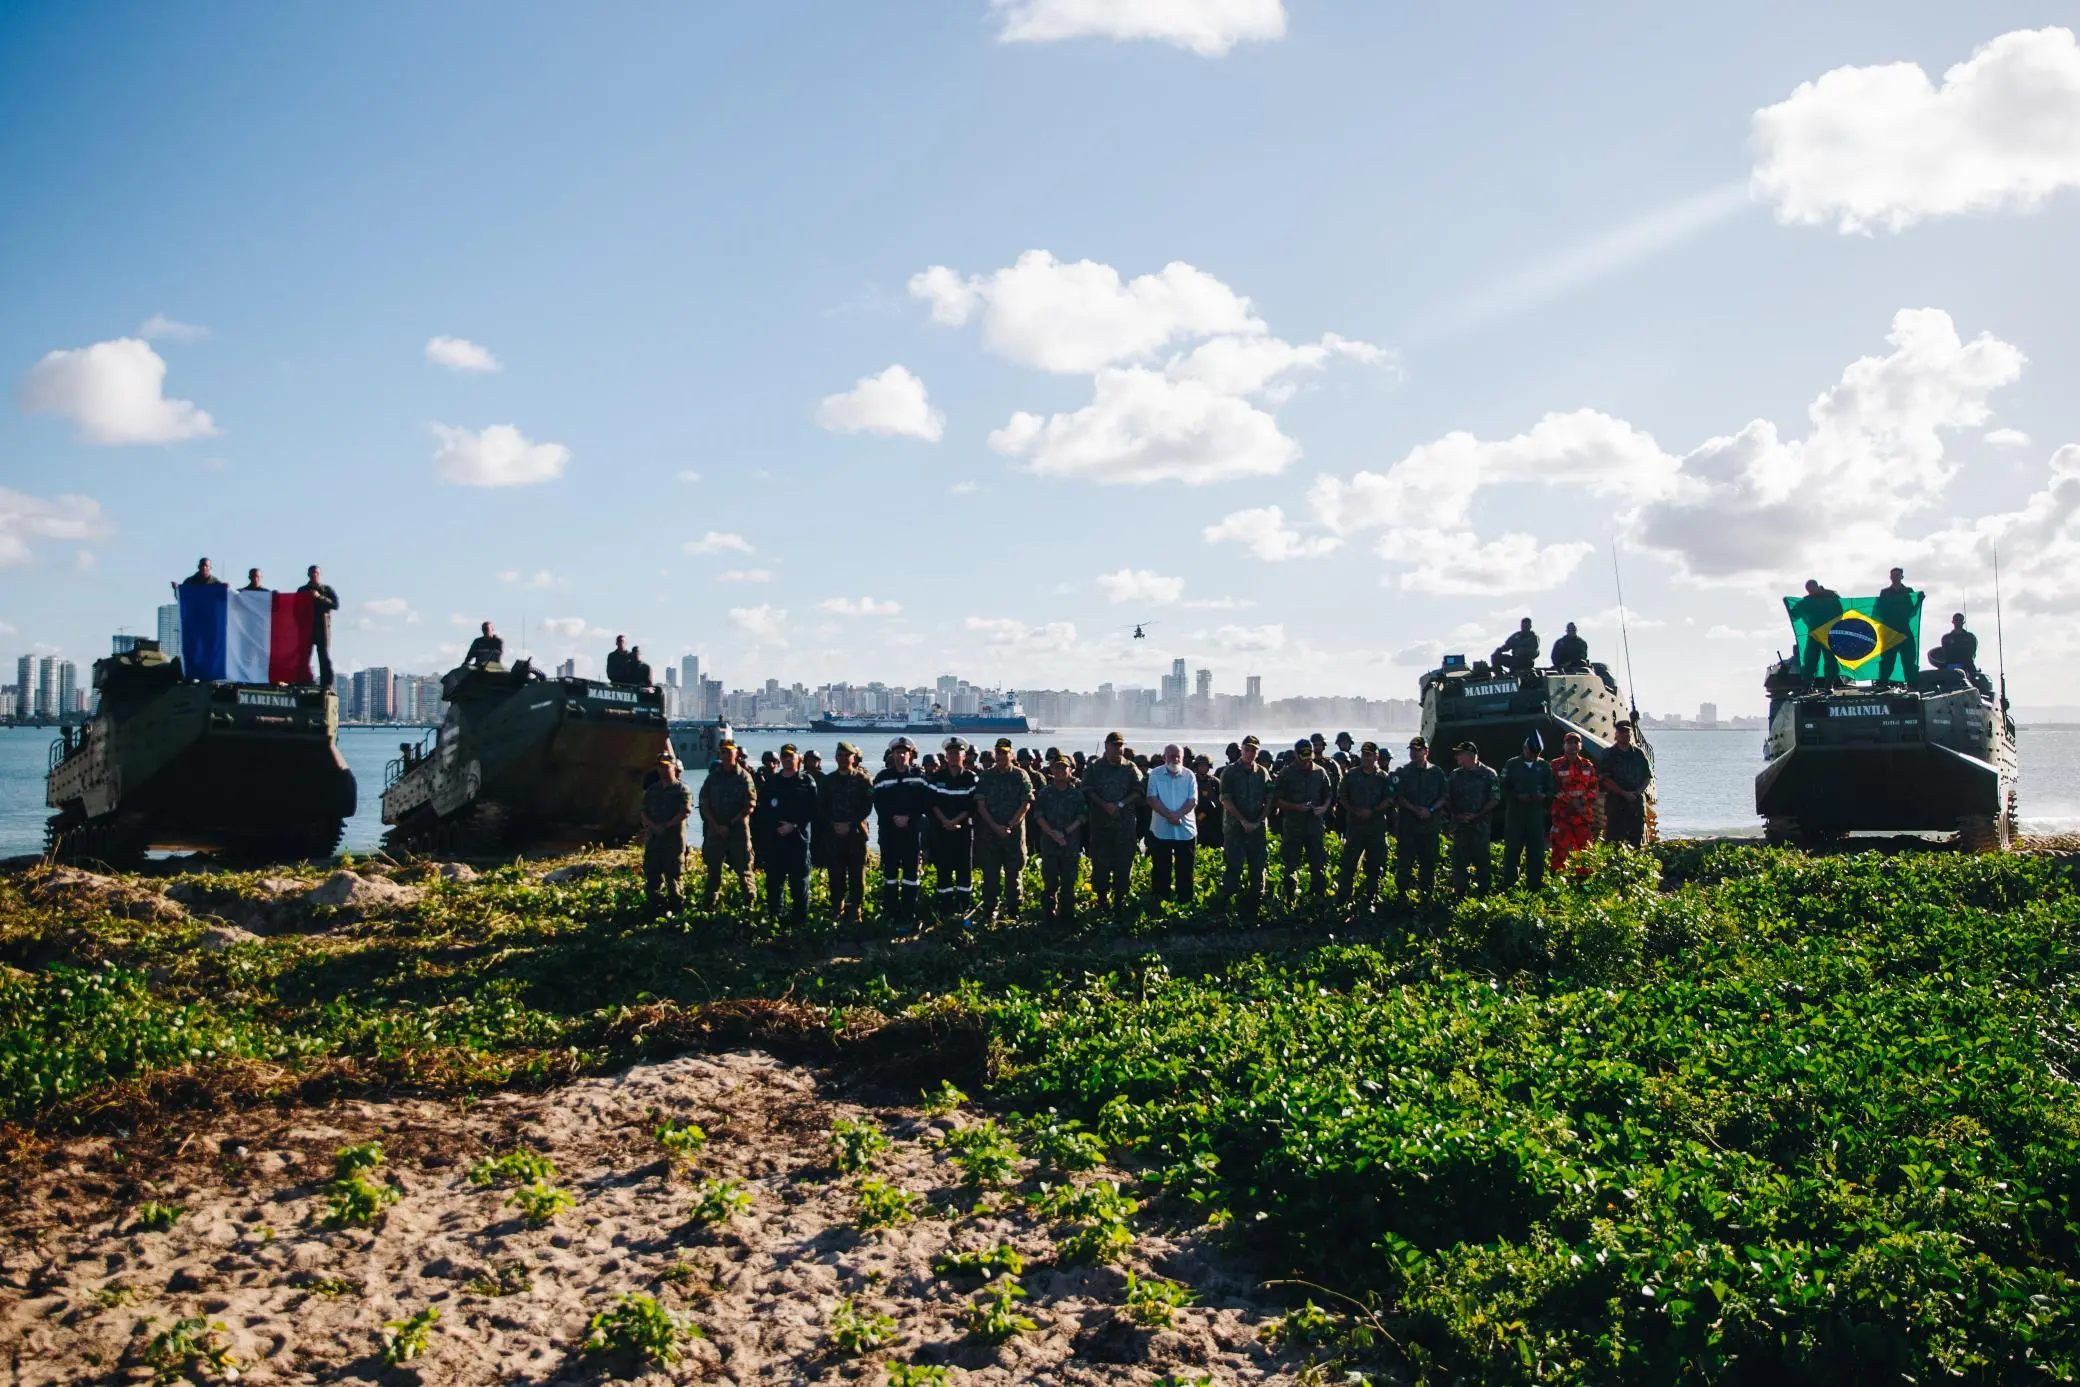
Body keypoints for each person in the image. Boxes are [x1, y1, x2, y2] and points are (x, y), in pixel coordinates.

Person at [1083, 732, 1145, 911]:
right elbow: (1087, 789)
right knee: (1100, 863)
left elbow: (1139, 790)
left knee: (1124, 864)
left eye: (1121, 745)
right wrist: (1104, 805)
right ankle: (1102, 900)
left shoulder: (1130, 768)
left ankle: (1119, 900)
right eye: (1114, 745)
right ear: (1106, 746)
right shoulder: (1094, 767)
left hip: (1124, 825)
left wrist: (1120, 804)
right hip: (1100, 825)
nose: (1118, 748)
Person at [974, 737, 1034, 921]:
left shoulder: (1020, 775)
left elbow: (1026, 804)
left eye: (1005, 752)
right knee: (990, 873)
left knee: (1013, 873)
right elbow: (980, 805)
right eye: (998, 752)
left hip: (1013, 834)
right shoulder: (986, 776)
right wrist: (994, 826)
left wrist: (1008, 826)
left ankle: (1013, 909)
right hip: (990, 835)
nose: (1001, 756)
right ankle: (990, 908)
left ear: (1011, 754)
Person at [873, 738, 930, 927]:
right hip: (889, 833)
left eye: (904, 752)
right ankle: (890, 913)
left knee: (910, 875)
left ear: (911, 754)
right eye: (897, 752)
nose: (901, 755)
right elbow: (879, 803)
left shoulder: (919, 776)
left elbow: (924, 802)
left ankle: (909, 912)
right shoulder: (882, 777)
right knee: (890, 875)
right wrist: (893, 818)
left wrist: (909, 818)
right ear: (892, 754)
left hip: (912, 833)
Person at [1336, 741, 1395, 913]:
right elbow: (1342, 796)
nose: (1365, 758)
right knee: (1349, 864)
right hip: (1355, 828)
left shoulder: (1384, 777)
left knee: (1375, 866)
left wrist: (1373, 811)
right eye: (1363, 754)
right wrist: (1354, 811)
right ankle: (1344, 898)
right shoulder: (1351, 775)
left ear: (1376, 757)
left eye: (1369, 755)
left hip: (1376, 828)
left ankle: (1371, 898)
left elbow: (1390, 798)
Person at [1218, 735, 1274, 918]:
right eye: (1247, 749)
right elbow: (1226, 800)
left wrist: (1258, 821)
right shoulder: (1229, 772)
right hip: (1235, 828)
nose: (1250, 753)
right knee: (1233, 867)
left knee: (1257, 869)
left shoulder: (1263, 773)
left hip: (1257, 829)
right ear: (1241, 750)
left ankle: (1255, 910)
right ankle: (1225, 911)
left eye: (1253, 750)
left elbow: (1269, 798)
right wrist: (1243, 821)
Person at [698, 741, 757, 911]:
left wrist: (731, 824)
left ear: (736, 754)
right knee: (713, 871)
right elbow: (704, 803)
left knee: (744, 869)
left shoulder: (744, 777)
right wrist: (716, 825)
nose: (725, 755)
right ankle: (709, 908)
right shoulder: (713, 777)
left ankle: (749, 907)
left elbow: (750, 805)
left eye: (729, 752)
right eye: (723, 752)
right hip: (715, 830)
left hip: (738, 830)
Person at [761, 744, 817, 926]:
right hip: (776, 840)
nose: (787, 759)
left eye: (791, 756)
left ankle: (800, 921)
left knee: (799, 882)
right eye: (784, 756)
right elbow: (763, 810)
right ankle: (776, 919)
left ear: (798, 759)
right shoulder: (771, 782)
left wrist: (793, 825)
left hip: (798, 840)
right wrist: (775, 827)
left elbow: (813, 809)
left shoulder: (806, 781)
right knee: (774, 882)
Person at [1273, 738, 1334, 905]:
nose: (1306, 760)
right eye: (1303, 756)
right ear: (1296, 755)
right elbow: (1276, 800)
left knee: (1318, 863)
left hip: (1314, 826)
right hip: (1293, 826)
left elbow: (1329, 794)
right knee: (1291, 864)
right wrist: (1295, 807)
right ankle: (1290, 899)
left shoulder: (1320, 772)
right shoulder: (1286, 773)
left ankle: (1318, 899)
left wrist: (1323, 808)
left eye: (1309, 755)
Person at [821, 743, 876, 925]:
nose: (844, 758)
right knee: (835, 875)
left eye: (847, 755)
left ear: (853, 758)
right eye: (841, 755)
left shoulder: (863, 780)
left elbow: (867, 807)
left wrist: (850, 824)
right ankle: (837, 909)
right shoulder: (828, 781)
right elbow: (822, 807)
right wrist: (834, 824)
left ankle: (855, 911)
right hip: (833, 835)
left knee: (856, 876)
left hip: (856, 835)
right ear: (836, 758)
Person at [928, 737, 979, 923]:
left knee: (964, 870)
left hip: (963, 831)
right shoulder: (937, 778)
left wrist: (956, 821)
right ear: (946, 756)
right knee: (944, 870)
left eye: (957, 753)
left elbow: (972, 806)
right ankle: (944, 910)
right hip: (942, 831)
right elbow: (932, 803)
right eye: (950, 753)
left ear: (964, 755)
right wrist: (945, 822)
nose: (953, 756)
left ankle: (964, 910)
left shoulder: (971, 777)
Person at [1033, 756, 1088, 926]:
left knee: (1068, 882)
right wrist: (1053, 834)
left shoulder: (1076, 794)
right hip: (1049, 843)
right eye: (1056, 768)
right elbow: (1038, 815)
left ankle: (1067, 916)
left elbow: (1082, 816)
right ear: (1051, 771)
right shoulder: (1044, 792)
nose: (1059, 771)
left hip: (1069, 843)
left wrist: (1064, 833)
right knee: (1050, 881)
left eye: (1063, 768)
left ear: (1070, 771)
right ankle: (1048, 915)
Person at [1395, 737, 1449, 904]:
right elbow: (1397, 797)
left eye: (1417, 750)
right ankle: (1401, 898)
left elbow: (1444, 796)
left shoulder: (1437, 773)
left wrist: (1430, 810)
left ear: (1426, 751)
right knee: (1404, 864)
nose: (1414, 753)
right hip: (1408, 828)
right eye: (1411, 750)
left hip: (1430, 828)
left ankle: (1426, 898)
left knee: (1428, 864)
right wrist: (1414, 809)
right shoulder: (1402, 772)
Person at [1499, 732, 1555, 892]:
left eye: (1536, 754)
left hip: (1535, 815)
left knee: (1536, 851)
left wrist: (1543, 796)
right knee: (1512, 851)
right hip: (1515, 815)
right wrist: (1516, 796)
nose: (1533, 756)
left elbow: (1552, 789)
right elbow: (1501, 787)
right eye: (1531, 753)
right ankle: (1510, 886)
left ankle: (1535, 886)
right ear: (1524, 749)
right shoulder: (1512, 764)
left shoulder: (1544, 766)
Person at [1145, 743, 1199, 908]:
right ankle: (1160, 904)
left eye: (1178, 756)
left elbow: (1193, 800)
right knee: (1161, 869)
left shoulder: (1189, 775)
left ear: (1182, 758)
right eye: (1171, 756)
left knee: (1186, 871)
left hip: (1185, 831)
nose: (1175, 759)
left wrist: (1178, 815)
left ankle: (1185, 905)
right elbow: (1151, 798)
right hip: (1161, 830)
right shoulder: (1155, 774)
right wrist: (1169, 815)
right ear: (1164, 757)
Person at [1446, 741, 1501, 896]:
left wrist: (1477, 815)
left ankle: (1484, 895)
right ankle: (1460, 895)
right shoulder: (1454, 775)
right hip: (1460, 827)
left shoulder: (1489, 774)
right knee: (1459, 864)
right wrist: (1457, 815)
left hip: (1480, 827)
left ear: (1470, 755)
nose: (1456, 756)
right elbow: (1446, 797)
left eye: (1459, 753)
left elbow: (1495, 798)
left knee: (1482, 863)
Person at [639, 754, 692, 913]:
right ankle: (656, 911)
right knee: (652, 879)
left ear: (674, 768)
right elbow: (643, 811)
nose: (663, 770)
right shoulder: (652, 790)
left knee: (674, 880)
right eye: (660, 766)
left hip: (673, 842)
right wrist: (653, 826)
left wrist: (667, 825)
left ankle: (677, 913)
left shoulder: (681, 789)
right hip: (654, 841)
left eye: (666, 766)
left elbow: (685, 810)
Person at [1549, 731, 1600, 874]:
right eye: (1569, 743)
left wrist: (1581, 801)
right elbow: (1552, 787)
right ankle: (1557, 882)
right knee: (1559, 849)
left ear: (1581, 746)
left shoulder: (1587, 765)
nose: (1573, 746)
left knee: (1584, 851)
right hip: (1562, 815)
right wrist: (1570, 801)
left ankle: (1585, 884)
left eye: (1576, 742)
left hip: (1582, 816)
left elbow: (1593, 788)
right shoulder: (1555, 765)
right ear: (1564, 746)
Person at [1600, 721, 1652, 847]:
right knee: (1613, 842)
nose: (1624, 735)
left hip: (1636, 804)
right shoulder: (1608, 754)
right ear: (1616, 735)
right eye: (1621, 732)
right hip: (1616, 803)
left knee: (1635, 841)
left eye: (1627, 732)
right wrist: (1623, 793)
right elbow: (1605, 779)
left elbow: (1647, 776)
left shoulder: (1639, 754)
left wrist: (1638, 792)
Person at [1874, 567, 1920, 685]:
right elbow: (1878, 610)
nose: (1895, 578)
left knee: (1909, 658)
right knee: (1887, 659)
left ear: (1901, 576)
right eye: (1893, 575)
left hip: (1904, 628)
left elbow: (1912, 612)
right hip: (1889, 630)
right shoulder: (1885, 593)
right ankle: (1883, 683)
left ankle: (1912, 684)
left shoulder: (1908, 591)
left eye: (1897, 575)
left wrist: (1919, 601)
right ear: (1890, 577)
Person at [1793, 580, 1844, 681]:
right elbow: (1795, 614)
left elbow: (1840, 613)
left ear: (1817, 587)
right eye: (1809, 591)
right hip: (1814, 634)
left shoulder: (1831, 596)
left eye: (1812, 590)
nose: (1811, 592)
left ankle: (1829, 684)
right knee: (1810, 660)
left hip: (1829, 634)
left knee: (1830, 660)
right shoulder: (1807, 601)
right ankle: (1808, 685)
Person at [299, 566, 340, 686]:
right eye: (312, 573)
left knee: (324, 657)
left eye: (316, 573)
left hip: (322, 628)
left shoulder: (326, 589)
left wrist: (319, 597)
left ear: (320, 574)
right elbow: (295, 606)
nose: (314, 575)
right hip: (306, 627)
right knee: (303, 656)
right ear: (308, 574)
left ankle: (326, 683)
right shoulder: (302, 590)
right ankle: (303, 680)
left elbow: (335, 605)